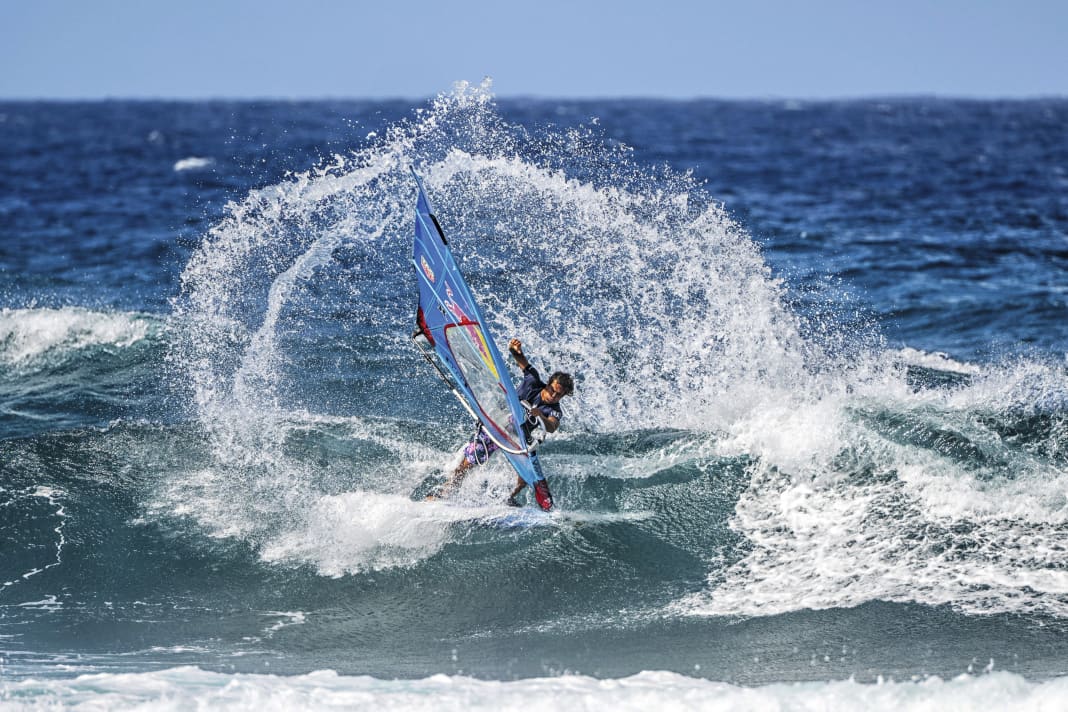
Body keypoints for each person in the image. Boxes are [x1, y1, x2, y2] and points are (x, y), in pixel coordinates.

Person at [433, 338, 574, 506]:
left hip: (517, 436)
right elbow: (520, 360)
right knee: (472, 458)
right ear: (548, 383)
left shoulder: (555, 410)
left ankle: (508, 497)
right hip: (498, 424)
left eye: (559, 395)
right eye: (552, 390)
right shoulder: (533, 381)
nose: (553, 396)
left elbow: (551, 426)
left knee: (525, 475)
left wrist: (540, 416)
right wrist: (515, 350)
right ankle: (447, 489)